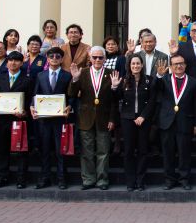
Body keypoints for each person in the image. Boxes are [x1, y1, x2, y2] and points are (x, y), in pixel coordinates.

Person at [68, 46, 118, 190]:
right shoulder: (82, 73)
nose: (97, 60)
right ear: (90, 58)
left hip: (104, 118)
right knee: (86, 151)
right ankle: (88, 179)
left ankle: (102, 180)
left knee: (103, 151)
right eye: (94, 57)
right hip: (85, 118)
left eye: (100, 57)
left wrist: (112, 119)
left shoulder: (111, 74)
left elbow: (114, 101)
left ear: (105, 59)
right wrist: (75, 79)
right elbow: (72, 93)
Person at [112, 54, 158, 191]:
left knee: (143, 150)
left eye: (138, 63)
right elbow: (116, 99)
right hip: (127, 119)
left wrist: (143, 116)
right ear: (129, 66)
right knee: (129, 151)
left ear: (142, 65)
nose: (135, 66)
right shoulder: (124, 80)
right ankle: (130, 181)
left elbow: (152, 101)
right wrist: (114, 88)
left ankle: (140, 180)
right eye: (133, 64)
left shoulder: (150, 81)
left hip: (144, 120)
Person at [0, 51, 34, 189]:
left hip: (19, 119)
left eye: (16, 60)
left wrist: (25, 111)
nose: (13, 63)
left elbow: (32, 98)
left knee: (21, 150)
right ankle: (3, 177)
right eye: (10, 60)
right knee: (2, 149)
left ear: (21, 63)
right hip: (1, 120)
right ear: (7, 63)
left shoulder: (28, 79)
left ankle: (21, 178)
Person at [155, 54, 196, 190]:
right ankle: (169, 180)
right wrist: (158, 76)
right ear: (171, 67)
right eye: (175, 64)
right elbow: (155, 89)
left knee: (184, 153)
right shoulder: (164, 80)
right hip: (167, 122)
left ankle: (184, 179)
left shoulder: (193, 81)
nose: (179, 66)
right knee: (168, 153)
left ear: (185, 65)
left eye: (181, 63)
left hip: (185, 122)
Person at [30, 47, 72, 190]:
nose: (54, 58)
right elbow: (36, 94)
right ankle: (45, 177)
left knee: (61, 150)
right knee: (45, 149)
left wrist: (70, 106)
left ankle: (62, 178)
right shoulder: (41, 75)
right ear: (47, 59)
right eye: (51, 56)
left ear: (61, 59)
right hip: (45, 119)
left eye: (57, 56)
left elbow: (71, 96)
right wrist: (32, 106)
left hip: (60, 119)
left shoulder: (67, 76)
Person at [103, 36, 126, 156]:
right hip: (103, 91)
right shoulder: (102, 58)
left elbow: (122, 74)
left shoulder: (121, 58)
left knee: (116, 118)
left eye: (113, 44)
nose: (110, 46)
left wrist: (117, 87)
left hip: (116, 90)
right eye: (108, 44)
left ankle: (117, 144)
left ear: (117, 46)